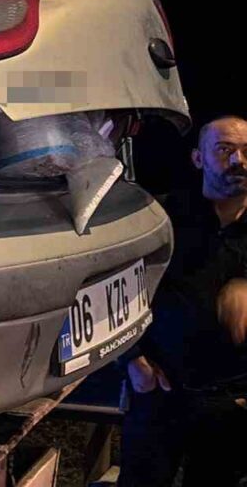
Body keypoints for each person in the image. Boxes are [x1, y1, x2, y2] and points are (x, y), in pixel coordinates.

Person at [119, 115, 247, 486]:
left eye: (246, 151)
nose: (238, 160)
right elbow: (117, 290)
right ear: (197, 158)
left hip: (232, 402)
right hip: (160, 388)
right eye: (224, 149)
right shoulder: (159, 218)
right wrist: (132, 360)